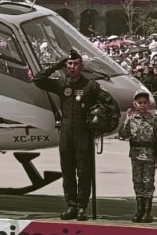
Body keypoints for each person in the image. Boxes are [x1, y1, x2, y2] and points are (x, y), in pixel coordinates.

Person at [33, 49, 118, 221]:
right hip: (66, 131)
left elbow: (111, 103)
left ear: (82, 65)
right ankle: (71, 205)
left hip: (83, 133)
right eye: (69, 64)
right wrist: (56, 66)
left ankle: (81, 207)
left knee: (84, 171)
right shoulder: (62, 84)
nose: (72, 67)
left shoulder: (90, 86)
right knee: (68, 171)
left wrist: (108, 126)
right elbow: (38, 80)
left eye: (75, 64)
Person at [119, 88, 157, 223]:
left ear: (148, 104)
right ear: (134, 104)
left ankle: (147, 212)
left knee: (148, 182)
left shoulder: (153, 121)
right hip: (136, 156)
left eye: (145, 102)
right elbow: (122, 135)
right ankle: (139, 210)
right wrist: (126, 121)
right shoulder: (132, 120)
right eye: (140, 102)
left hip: (149, 156)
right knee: (137, 182)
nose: (142, 105)